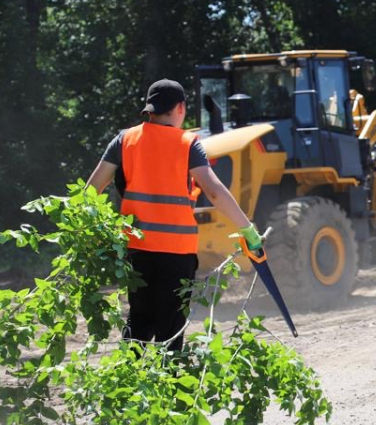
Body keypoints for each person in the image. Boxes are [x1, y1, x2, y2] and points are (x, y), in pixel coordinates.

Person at [87, 79, 263, 351]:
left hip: (137, 248)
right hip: (176, 252)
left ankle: (127, 382)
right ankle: (169, 384)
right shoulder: (188, 143)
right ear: (180, 108)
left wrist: (86, 235)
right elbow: (214, 191)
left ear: (150, 109)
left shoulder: (124, 139)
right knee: (171, 328)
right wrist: (247, 230)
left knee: (139, 320)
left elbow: (90, 193)